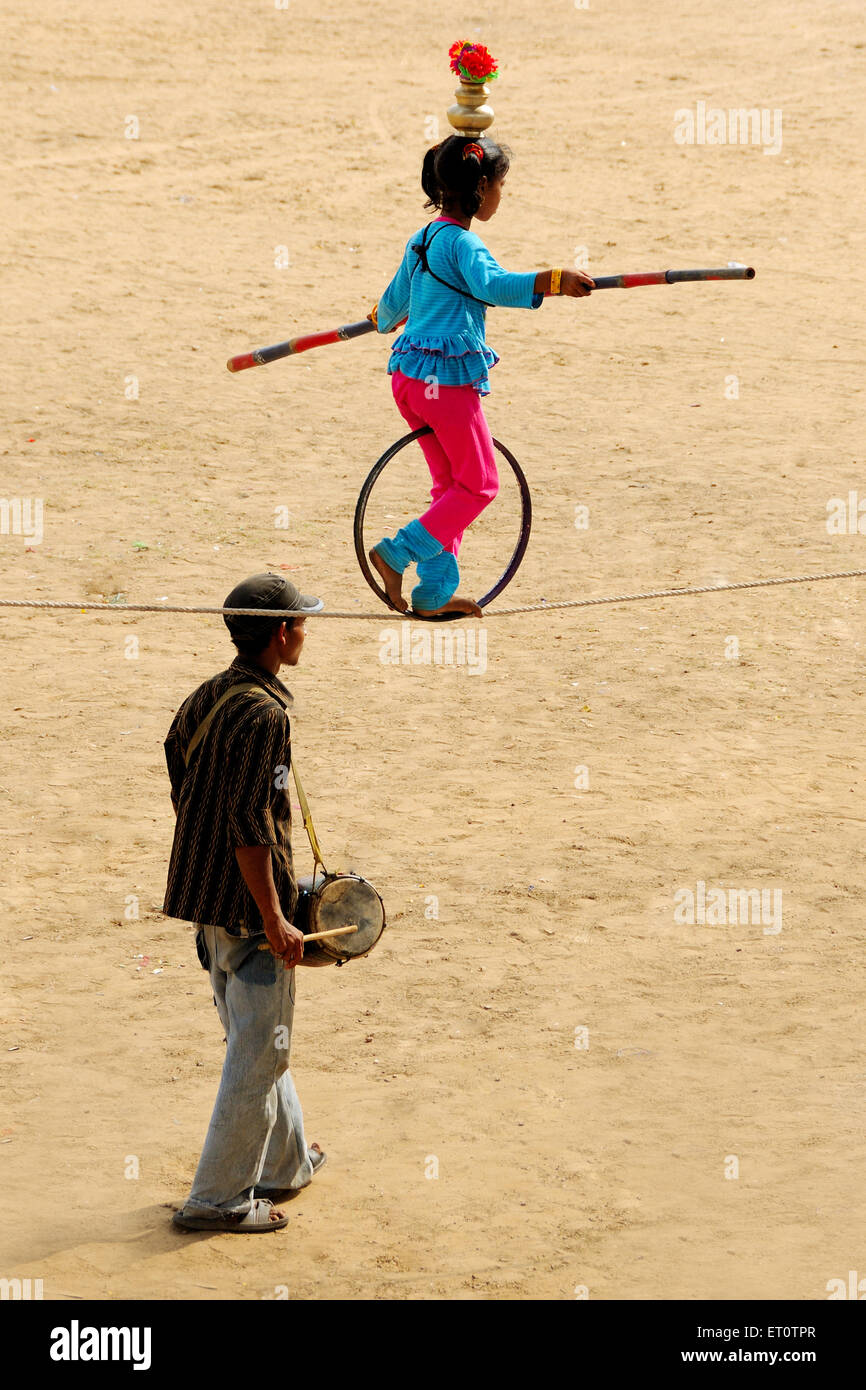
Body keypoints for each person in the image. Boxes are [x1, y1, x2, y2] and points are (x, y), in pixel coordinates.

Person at [368, 133, 595, 618]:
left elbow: (391, 308)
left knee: (450, 485)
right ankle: (397, 551)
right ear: (482, 186)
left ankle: (432, 594)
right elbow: (493, 286)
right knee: (480, 485)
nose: (501, 196)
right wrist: (554, 281)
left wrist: (377, 320)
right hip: (445, 383)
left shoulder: (423, 237)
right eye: (500, 186)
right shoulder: (464, 243)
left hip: (408, 380)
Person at [163, 573, 326, 1233]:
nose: (305, 633)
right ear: (281, 633)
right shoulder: (265, 715)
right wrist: (274, 915)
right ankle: (218, 1200)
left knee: (259, 1041)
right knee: (258, 1052)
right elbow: (253, 827)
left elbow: (178, 760)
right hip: (248, 912)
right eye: (301, 623)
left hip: (205, 901)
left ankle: (283, 1167)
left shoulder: (208, 696)